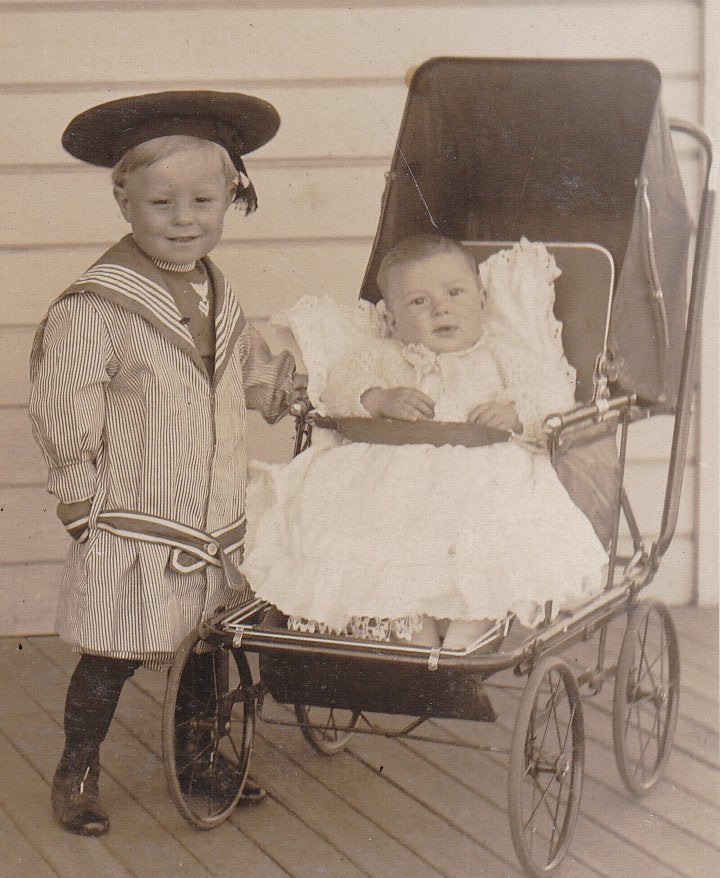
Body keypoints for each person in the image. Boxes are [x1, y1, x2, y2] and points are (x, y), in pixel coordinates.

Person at [29, 91, 295, 836]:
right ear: (124, 201)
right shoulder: (97, 305)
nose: (185, 219)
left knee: (207, 649)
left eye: (204, 199)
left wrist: (270, 390)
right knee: (112, 651)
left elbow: (235, 369)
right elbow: (64, 405)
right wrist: (80, 497)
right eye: (161, 202)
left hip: (209, 517)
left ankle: (198, 755)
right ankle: (78, 764)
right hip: (134, 519)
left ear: (231, 198)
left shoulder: (216, 288)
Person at [242, 235, 609, 649]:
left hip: (482, 478)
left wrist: (516, 414)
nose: (441, 308)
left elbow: (552, 400)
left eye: (455, 293)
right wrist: (377, 398)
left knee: (486, 541)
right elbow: (337, 389)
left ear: (482, 300)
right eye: (418, 301)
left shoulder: (500, 356)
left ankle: (468, 635)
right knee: (373, 541)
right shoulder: (382, 355)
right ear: (393, 321)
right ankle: (413, 636)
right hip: (393, 481)